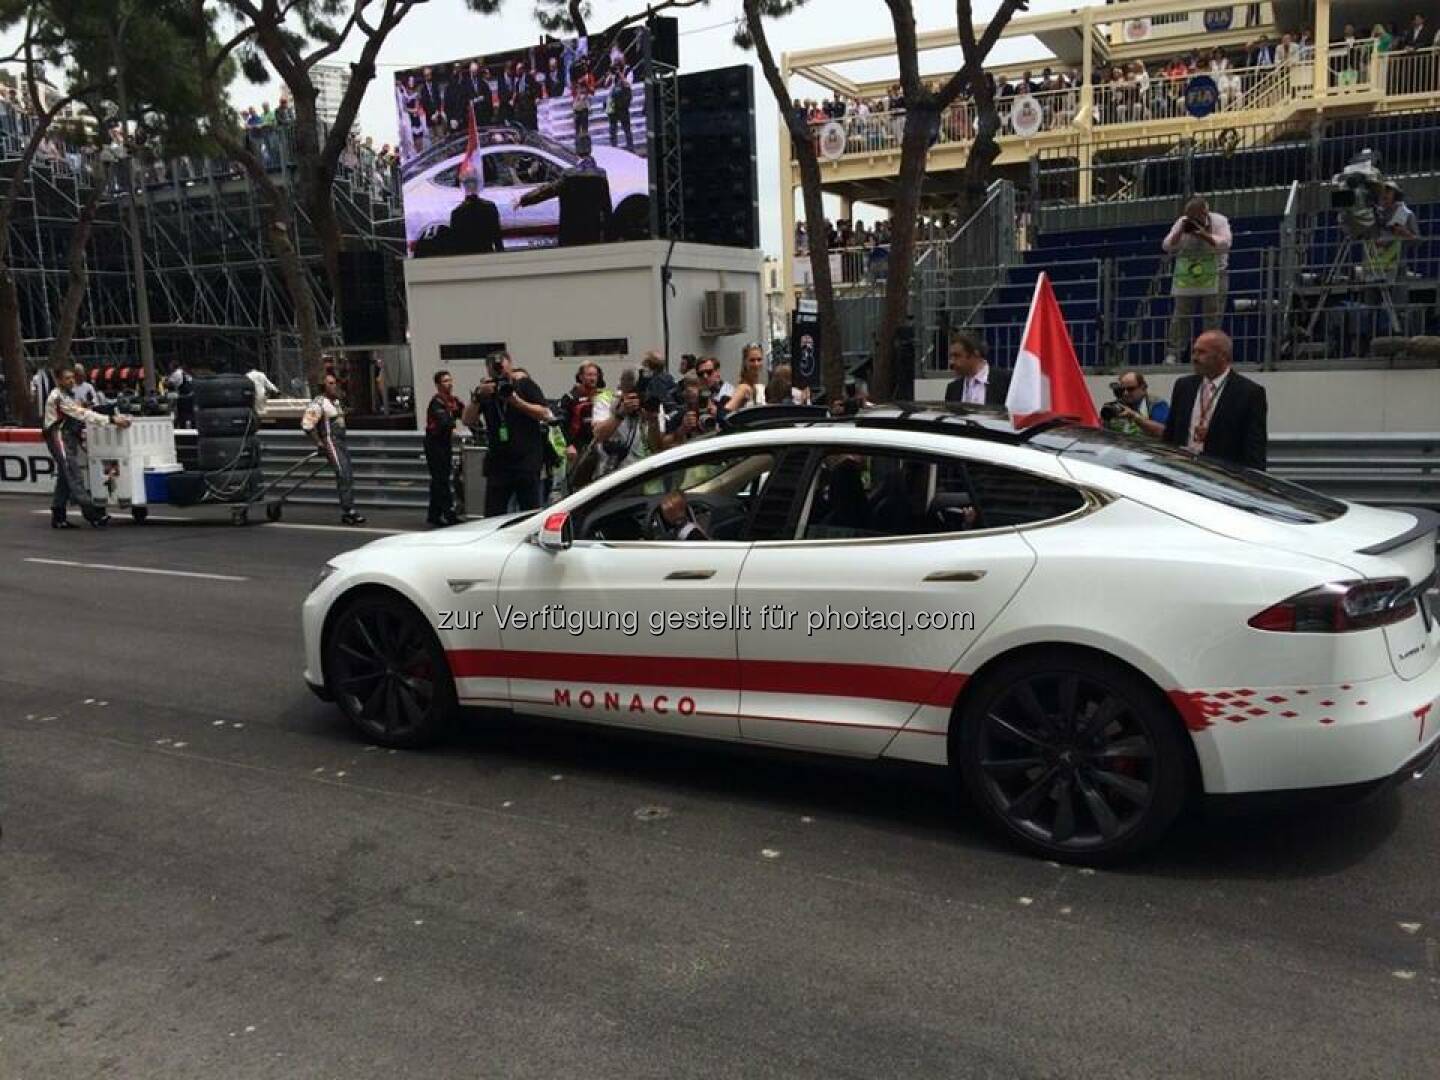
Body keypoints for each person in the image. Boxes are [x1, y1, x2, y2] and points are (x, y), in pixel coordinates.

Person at [1162, 330, 1267, 470]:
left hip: (1222, 476)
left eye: (1202, 352)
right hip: (1184, 472)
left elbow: (1254, 448)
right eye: (1194, 352)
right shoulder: (1184, 386)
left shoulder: (1249, 393)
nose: (1194, 358)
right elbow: (1170, 433)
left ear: (1223, 356)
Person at [43, 365, 131, 528]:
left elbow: (81, 412)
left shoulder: (66, 395)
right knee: (74, 475)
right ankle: (92, 515)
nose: (72, 380)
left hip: (65, 436)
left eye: (72, 377)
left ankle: (58, 516)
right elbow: (81, 413)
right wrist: (111, 419)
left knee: (65, 476)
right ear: (59, 380)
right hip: (58, 437)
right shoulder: (58, 397)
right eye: (67, 378)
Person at [466, 352, 552, 516]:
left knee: (529, 513)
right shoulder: (485, 391)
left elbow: (545, 413)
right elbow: (467, 420)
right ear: (488, 370)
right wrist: (477, 397)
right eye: (495, 370)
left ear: (510, 365)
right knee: (493, 514)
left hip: (526, 461)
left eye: (503, 369)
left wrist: (516, 401)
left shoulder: (524, 385)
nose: (500, 374)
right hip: (498, 463)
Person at [1162, 196, 1232, 364]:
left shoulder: (1219, 220)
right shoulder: (1183, 222)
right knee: (1180, 315)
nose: (1193, 221)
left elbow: (1225, 243)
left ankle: (1211, 352)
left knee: (1213, 315)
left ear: (1204, 213)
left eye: (1196, 217)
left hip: (1215, 273)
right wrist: (1180, 232)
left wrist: (1204, 235)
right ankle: (1174, 352)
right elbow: (1166, 246)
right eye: (1189, 217)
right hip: (1187, 275)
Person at [302, 371, 366, 526]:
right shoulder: (318, 403)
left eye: (334, 382)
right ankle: (348, 511)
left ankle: (349, 508)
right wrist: (319, 443)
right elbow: (307, 424)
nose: (334, 385)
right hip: (331, 441)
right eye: (330, 383)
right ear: (323, 386)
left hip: (342, 442)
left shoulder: (336, 402)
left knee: (348, 475)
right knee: (343, 474)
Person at [589, 367, 661, 479]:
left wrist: (653, 421)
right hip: (612, 474)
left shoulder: (651, 405)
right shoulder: (607, 400)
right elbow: (598, 435)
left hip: (644, 474)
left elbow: (657, 448)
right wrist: (620, 414)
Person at [424, 369, 463, 527]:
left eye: (450, 380)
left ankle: (433, 515)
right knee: (441, 480)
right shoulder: (436, 402)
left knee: (439, 480)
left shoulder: (453, 400)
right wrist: (454, 425)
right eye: (445, 381)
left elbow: (465, 412)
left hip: (445, 443)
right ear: (438, 385)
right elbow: (444, 422)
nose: (450, 383)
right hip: (434, 444)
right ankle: (449, 514)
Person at [943, 333, 1010, 406]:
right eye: (951, 356)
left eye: (957, 356)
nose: (951, 362)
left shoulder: (1006, 381)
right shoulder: (953, 388)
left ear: (975, 354)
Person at [448, 171, 505, 254]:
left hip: (466, 255)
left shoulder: (457, 212)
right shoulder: (490, 207)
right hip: (486, 252)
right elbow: (497, 236)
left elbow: (455, 242)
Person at [1102, 369, 1170, 438]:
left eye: (1130, 389)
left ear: (1143, 388)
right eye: (1122, 390)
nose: (1125, 393)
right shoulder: (1116, 406)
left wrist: (1135, 417)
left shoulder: (1156, 403)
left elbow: (1163, 432)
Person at [723, 343, 768, 414]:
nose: (756, 364)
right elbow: (725, 412)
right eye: (752, 360)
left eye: (759, 360)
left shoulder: (759, 387)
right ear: (745, 362)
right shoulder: (744, 388)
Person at [606, 64, 633, 151]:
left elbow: (627, 84)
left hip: (623, 107)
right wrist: (611, 76)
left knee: (627, 129)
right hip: (614, 107)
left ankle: (630, 147)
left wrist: (620, 74)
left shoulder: (627, 72)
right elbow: (606, 85)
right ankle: (613, 147)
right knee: (613, 129)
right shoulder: (613, 77)